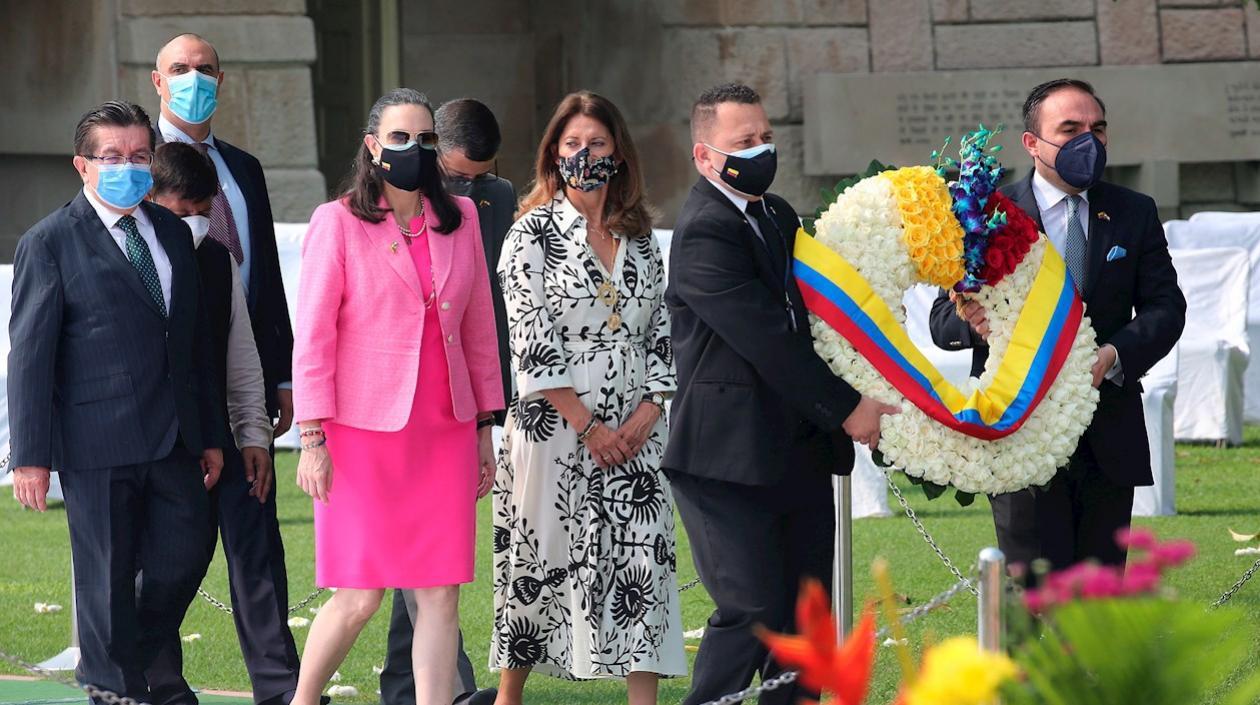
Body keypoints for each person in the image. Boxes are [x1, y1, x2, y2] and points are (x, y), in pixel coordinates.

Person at [663, 83, 896, 705]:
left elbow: (818, 317)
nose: (761, 151)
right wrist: (848, 407)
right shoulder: (705, 232)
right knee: (751, 610)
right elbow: (768, 340)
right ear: (705, 156)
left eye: (766, 137)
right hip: (727, 460)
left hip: (795, 451)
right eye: (744, 142)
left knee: (805, 618)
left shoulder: (776, 214)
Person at [291, 87, 504, 705]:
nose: (415, 149)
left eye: (426, 138)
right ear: (372, 145)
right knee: (360, 595)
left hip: (446, 431)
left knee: (440, 591)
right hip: (359, 436)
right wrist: (312, 438)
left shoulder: (461, 220)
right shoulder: (336, 221)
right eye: (401, 137)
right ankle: (303, 700)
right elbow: (314, 340)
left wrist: (486, 430)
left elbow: (480, 331)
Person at [8, 101, 225, 705]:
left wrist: (209, 432)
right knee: (103, 581)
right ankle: (114, 688)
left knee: (185, 555)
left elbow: (192, 344)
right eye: (112, 157)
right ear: (83, 165)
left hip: (176, 438)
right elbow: (29, 355)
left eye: (138, 156)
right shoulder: (48, 242)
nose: (127, 167)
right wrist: (30, 455)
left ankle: (114, 658)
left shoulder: (174, 233)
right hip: (94, 442)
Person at [929, 78, 1186, 574]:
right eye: (1069, 129)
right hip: (1020, 432)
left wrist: (1112, 357)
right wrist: (975, 322)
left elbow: (1165, 308)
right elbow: (943, 319)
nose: (1087, 140)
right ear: (1032, 143)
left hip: (1108, 434)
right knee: (1033, 601)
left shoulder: (1134, 212)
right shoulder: (985, 215)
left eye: (1098, 128)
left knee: (1098, 606)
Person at [490, 90, 686, 705]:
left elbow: (664, 331)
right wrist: (589, 426)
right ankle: (509, 696)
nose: (585, 155)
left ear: (619, 154)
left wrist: (648, 412)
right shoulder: (529, 235)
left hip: (638, 427)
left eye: (597, 143)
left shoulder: (644, 239)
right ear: (554, 154)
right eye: (572, 144)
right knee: (538, 562)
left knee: (643, 560)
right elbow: (532, 341)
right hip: (554, 424)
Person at [147, 33, 302, 705]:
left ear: (221, 78)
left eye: (205, 69)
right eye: (179, 70)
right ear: (158, 82)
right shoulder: (130, 161)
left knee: (257, 545)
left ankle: (283, 691)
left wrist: (282, 376)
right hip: (161, 402)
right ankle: (159, 685)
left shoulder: (244, 168)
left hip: (244, 386)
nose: (193, 80)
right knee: (169, 554)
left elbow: (262, 277)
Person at [379, 98, 514, 705]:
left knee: (429, 556)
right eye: (459, 173)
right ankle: (449, 691)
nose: (468, 185)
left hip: (472, 392)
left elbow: (493, 307)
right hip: (401, 400)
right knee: (420, 558)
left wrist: (493, 404)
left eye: (481, 175)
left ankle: (407, 687)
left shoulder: (501, 198)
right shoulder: (384, 205)